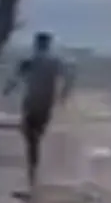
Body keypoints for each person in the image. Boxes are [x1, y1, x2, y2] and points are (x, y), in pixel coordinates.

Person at [4, 31, 74, 194]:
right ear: (48, 45)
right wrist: (64, 94)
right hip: (45, 103)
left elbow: (15, 79)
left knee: (31, 138)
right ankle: (33, 172)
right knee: (35, 137)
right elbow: (69, 77)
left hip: (31, 103)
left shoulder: (30, 61)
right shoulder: (55, 62)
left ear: (36, 44)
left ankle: (33, 173)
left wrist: (7, 90)